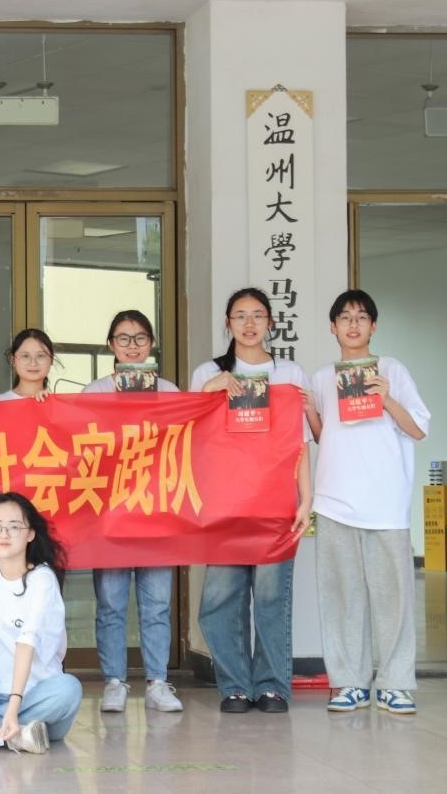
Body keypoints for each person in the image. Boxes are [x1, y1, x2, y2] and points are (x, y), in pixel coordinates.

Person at [190, 287, 314, 714]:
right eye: (240, 315)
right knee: (220, 600)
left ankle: (273, 686)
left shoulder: (289, 374)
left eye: (257, 315)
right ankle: (235, 686)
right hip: (224, 504)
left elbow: (300, 444)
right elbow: (188, 432)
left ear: (270, 323)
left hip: (275, 505)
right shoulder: (208, 371)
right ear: (227, 323)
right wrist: (210, 390)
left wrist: (306, 499)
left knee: (271, 598)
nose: (249, 323)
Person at [311, 290, 429, 715]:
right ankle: (349, 683)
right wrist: (308, 411)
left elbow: (418, 429)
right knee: (341, 597)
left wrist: (387, 397)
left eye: (361, 317)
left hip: (385, 503)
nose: (353, 324)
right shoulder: (322, 377)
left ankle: (395, 683)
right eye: (345, 317)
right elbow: (325, 437)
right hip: (334, 502)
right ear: (333, 327)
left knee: (393, 599)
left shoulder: (392, 369)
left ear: (373, 326)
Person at [81, 311, 183, 714]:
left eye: (140, 338)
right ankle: (114, 681)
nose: (132, 346)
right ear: (111, 345)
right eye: (123, 339)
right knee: (110, 603)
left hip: (156, 512)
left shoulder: (169, 391)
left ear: (151, 344)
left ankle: (157, 682)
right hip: (109, 514)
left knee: (157, 604)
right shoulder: (95, 392)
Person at [0, 491, 82, 754]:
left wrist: (13, 708)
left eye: (14, 527)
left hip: (38, 698)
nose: (4, 534)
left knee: (68, 689)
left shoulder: (42, 579)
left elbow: (27, 641)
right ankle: (19, 734)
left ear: (30, 534)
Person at [0, 328, 56, 402]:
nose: (33, 363)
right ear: (13, 360)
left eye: (40, 356)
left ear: (51, 360)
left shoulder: (58, 404)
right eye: (25, 356)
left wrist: (49, 403)